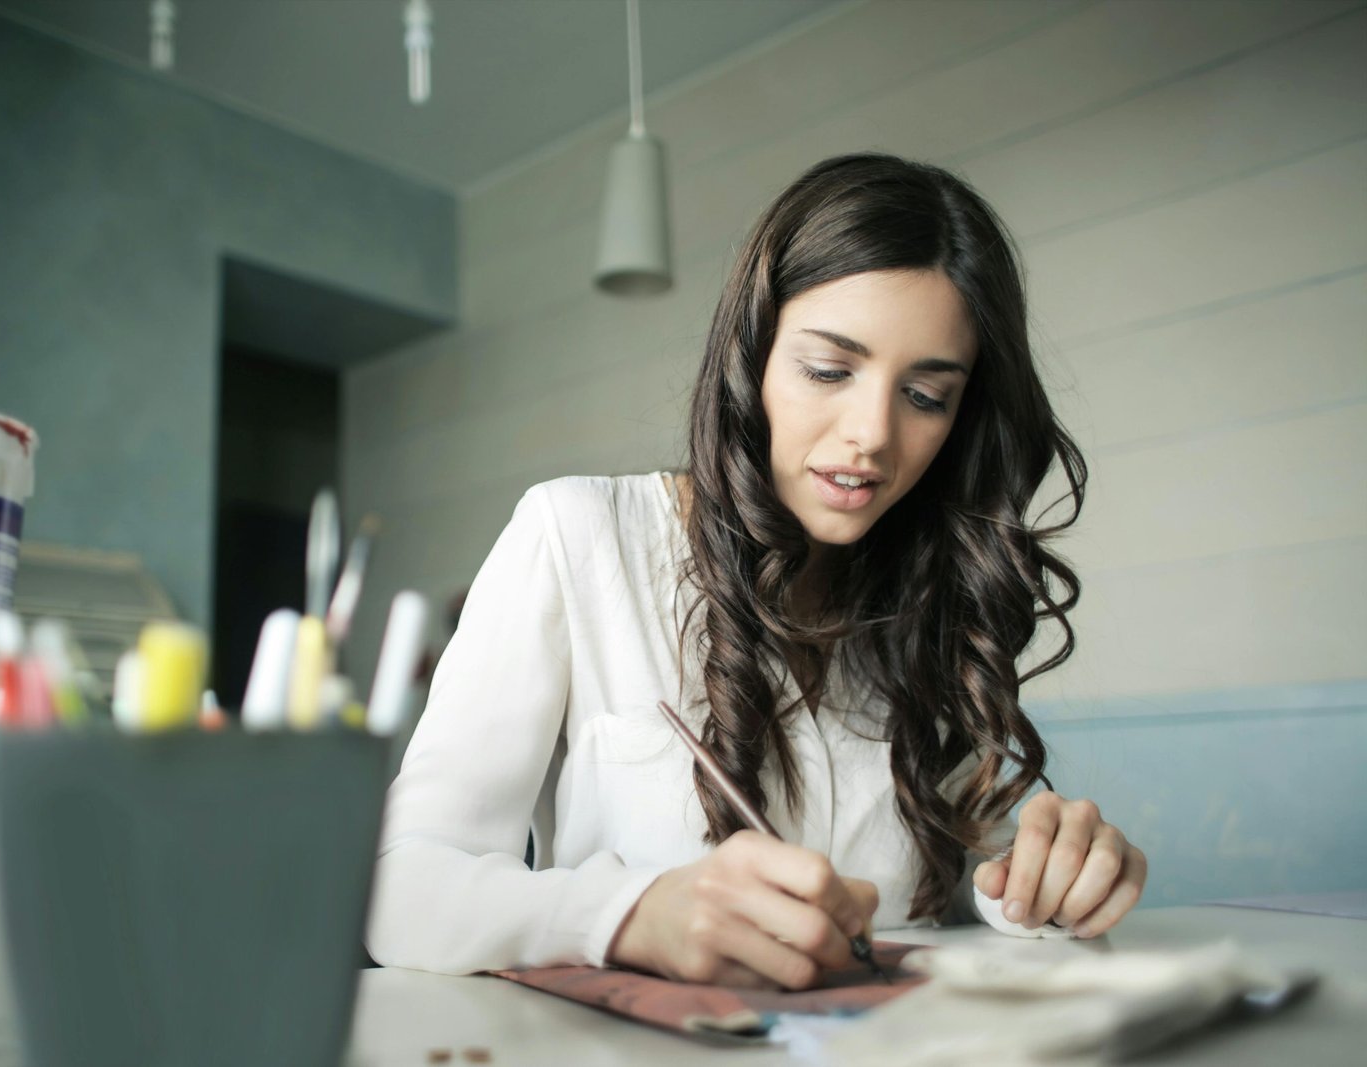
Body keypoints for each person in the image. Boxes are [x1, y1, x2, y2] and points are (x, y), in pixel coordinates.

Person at [365, 153, 1147, 990]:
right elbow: (400, 888)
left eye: (925, 395)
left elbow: (959, 902)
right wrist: (632, 915)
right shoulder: (581, 534)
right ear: (753, 356)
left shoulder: (933, 594)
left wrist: (1047, 883)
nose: (871, 435)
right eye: (828, 370)